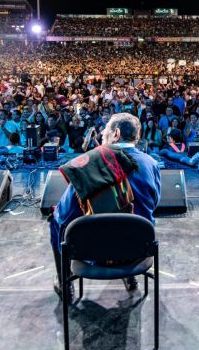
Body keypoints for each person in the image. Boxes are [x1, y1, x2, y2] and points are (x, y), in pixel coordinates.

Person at [49, 113, 161, 301]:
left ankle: (65, 283)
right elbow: (153, 203)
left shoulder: (89, 164)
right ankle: (130, 275)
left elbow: (64, 216)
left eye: (106, 129)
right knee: (133, 219)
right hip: (138, 250)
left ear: (116, 133)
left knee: (55, 221)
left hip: (95, 252)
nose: (102, 134)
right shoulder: (151, 164)